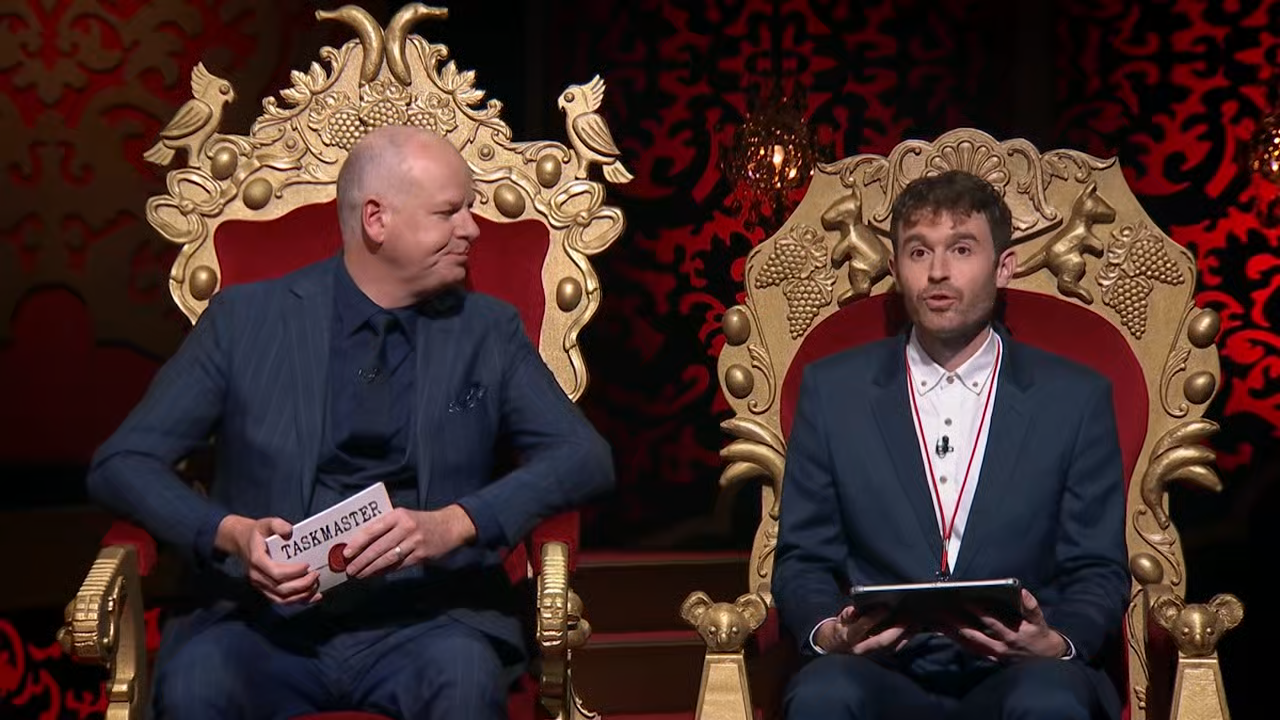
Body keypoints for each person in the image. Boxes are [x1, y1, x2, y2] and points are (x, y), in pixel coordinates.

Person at [86, 125, 615, 720]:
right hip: (262, 625)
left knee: (465, 680)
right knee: (195, 685)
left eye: (469, 209)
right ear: (376, 220)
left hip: (429, 619)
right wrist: (229, 532)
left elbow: (584, 457)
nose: (472, 228)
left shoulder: (488, 330)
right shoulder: (244, 321)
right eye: (450, 212)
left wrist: (456, 522)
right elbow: (122, 463)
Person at [772, 170, 1130, 719]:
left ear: (1004, 267)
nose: (937, 271)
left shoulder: (1075, 398)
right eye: (919, 251)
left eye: (962, 249)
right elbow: (803, 558)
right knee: (823, 695)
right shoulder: (833, 391)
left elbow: (1098, 568)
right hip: (879, 668)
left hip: (1019, 670)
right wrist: (829, 631)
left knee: (1051, 700)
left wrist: (1056, 641)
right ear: (897, 269)